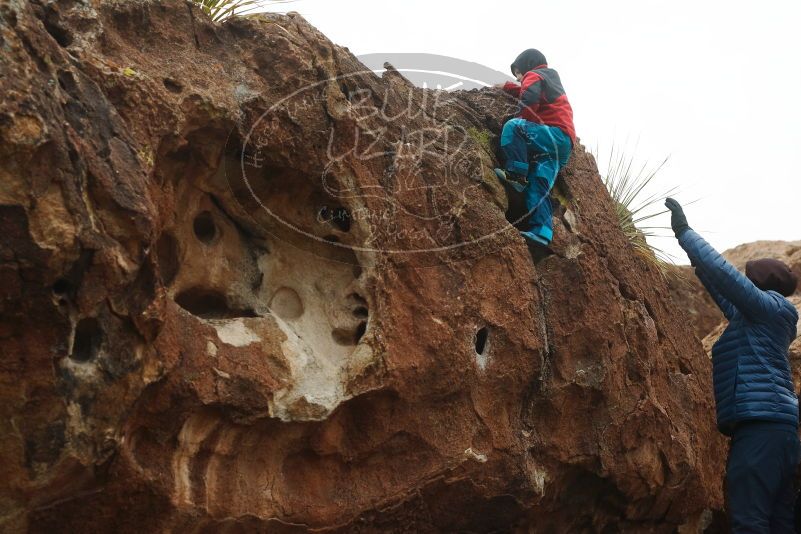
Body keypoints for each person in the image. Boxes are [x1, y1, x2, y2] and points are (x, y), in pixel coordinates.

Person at [665, 197, 800, 532]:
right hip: (779, 433)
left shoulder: (768, 308)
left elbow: (724, 276)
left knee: (749, 520)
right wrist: (694, 258)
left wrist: (685, 233)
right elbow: (720, 287)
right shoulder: (761, 318)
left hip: (760, 431)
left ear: (758, 285)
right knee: (779, 521)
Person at [494, 48, 576, 246]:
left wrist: (522, 120)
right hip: (562, 144)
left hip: (553, 133)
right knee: (539, 181)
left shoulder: (534, 74)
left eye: (519, 73)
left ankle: (516, 175)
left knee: (514, 128)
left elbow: (529, 97)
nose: (519, 78)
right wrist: (508, 87)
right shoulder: (548, 78)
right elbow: (529, 89)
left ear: (528, 66)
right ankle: (543, 232)